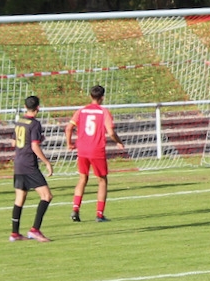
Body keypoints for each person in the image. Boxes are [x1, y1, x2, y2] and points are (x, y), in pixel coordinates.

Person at [65, 84, 125, 222]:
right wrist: (119, 142)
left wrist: (69, 144)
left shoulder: (81, 111)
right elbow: (110, 132)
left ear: (90, 96)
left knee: (82, 178)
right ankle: (99, 214)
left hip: (82, 149)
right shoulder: (103, 112)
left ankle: (75, 209)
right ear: (102, 97)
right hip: (96, 149)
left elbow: (68, 128)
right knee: (102, 180)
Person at [9, 95, 54, 242]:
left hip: (18, 163)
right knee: (46, 196)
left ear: (25, 106)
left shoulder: (19, 121)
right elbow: (34, 146)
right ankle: (35, 230)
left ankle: (15, 233)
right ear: (38, 108)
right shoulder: (34, 124)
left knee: (20, 198)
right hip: (29, 164)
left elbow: (13, 142)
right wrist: (46, 162)